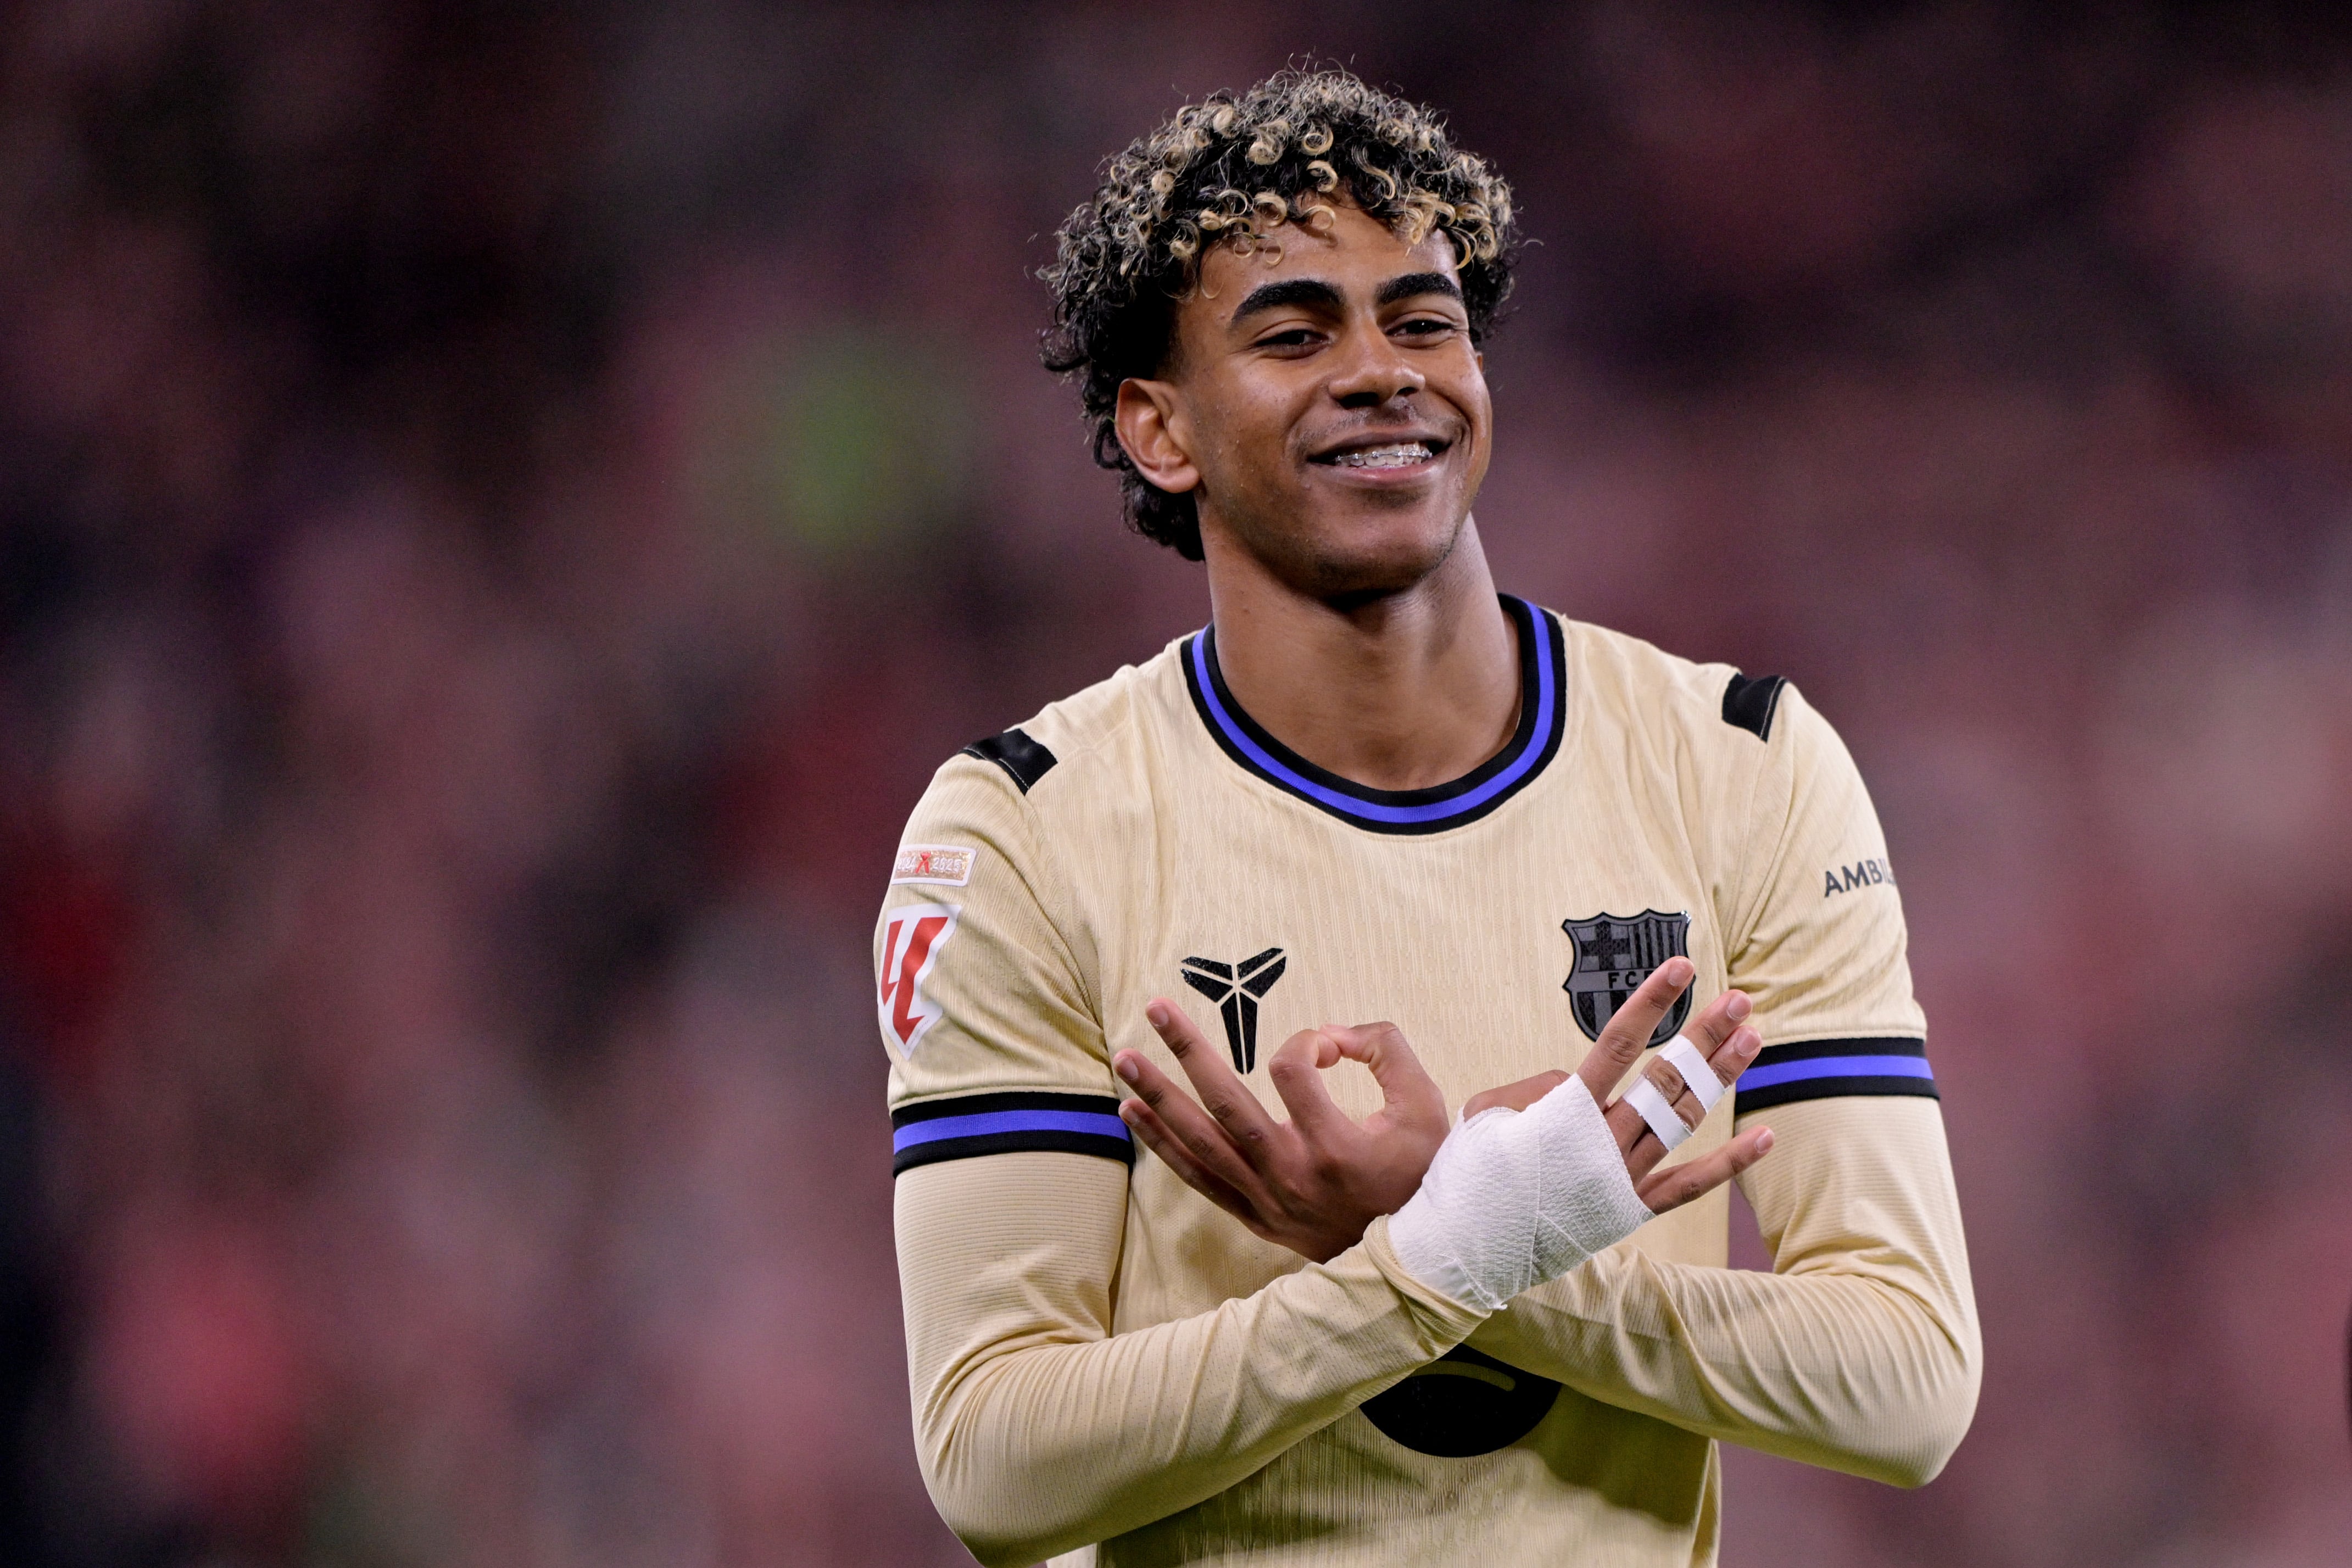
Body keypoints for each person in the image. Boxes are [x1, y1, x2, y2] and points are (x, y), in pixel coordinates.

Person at [877, 68, 1978, 1568]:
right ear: (1159, 429)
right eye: (1291, 332)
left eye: (1423, 318)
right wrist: (1451, 1248)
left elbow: (1905, 1382)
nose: (1382, 370)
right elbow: (993, 1460)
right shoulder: (1025, 830)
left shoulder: (1740, 765)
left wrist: (1462, 1239)